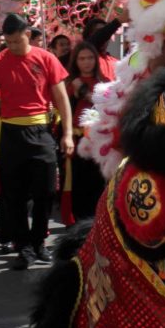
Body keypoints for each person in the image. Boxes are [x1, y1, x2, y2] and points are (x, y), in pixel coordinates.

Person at [0, 14, 74, 271]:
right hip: (10, 135)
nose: (12, 46)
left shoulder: (46, 58)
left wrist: (67, 133)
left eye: (16, 41)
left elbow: (62, 99)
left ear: (28, 34)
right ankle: (23, 247)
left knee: (46, 192)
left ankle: (39, 243)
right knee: (13, 196)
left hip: (40, 132)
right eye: (8, 41)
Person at [62, 41, 107, 224]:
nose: (86, 62)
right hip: (77, 139)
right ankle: (79, 227)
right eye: (82, 58)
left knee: (98, 185)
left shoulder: (104, 83)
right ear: (76, 61)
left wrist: (84, 90)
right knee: (78, 186)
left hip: (99, 140)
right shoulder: (69, 83)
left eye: (90, 58)